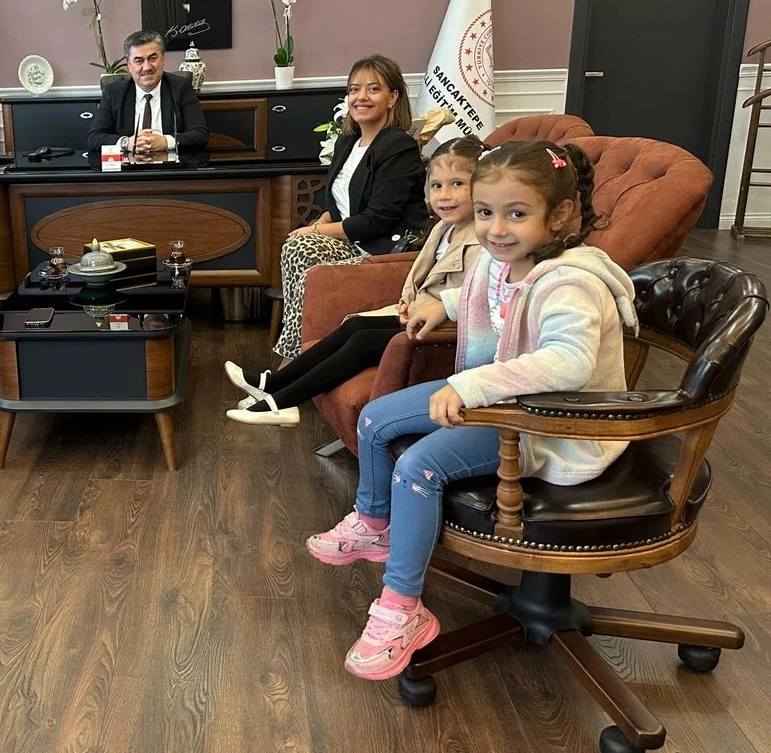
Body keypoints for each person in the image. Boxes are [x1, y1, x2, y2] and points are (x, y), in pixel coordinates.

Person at [306, 140, 637, 682]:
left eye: (516, 214)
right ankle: (374, 522)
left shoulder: (571, 283)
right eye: (485, 213)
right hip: (502, 398)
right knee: (377, 417)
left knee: (418, 467)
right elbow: (491, 297)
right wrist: (443, 303)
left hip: (546, 424)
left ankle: (402, 609)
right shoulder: (498, 261)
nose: (496, 229)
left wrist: (470, 384)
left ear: (560, 215)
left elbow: (569, 362)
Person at [225, 136, 483, 426]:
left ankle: (283, 402)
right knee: (354, 325)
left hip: (444, 329)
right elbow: (418, 275)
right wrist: (407, 300)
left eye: (457, 184)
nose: (444, 195)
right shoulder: (443, 229)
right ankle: (272, 383)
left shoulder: (483, 238)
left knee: (362, 341)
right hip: (416, 316)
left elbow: (479, 294)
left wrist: (433, 307)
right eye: (436, 186)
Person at [272, 54, 428, 359]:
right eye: (354, 89)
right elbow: (340, 208)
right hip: (353, 243)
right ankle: (300, 354)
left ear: (393, 97)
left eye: (373, 89)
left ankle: (292, 360)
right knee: (297, 246)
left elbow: (376, 220)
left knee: (302, 247)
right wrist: (315, 225)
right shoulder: (346, 144)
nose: (361, 97)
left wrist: (316, 231)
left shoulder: (397, 145)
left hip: (383, 248)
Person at [85, 30, 209, 168]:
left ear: (163, 60)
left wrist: (166, 142)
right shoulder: (114, 92)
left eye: (152, 58)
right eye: (139, 61)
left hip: (172, 171)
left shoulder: (180, 88)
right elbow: (94, 138)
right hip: (127, 173)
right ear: (129, 65)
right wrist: (127, 143)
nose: (147, 67)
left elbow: (200, 134)